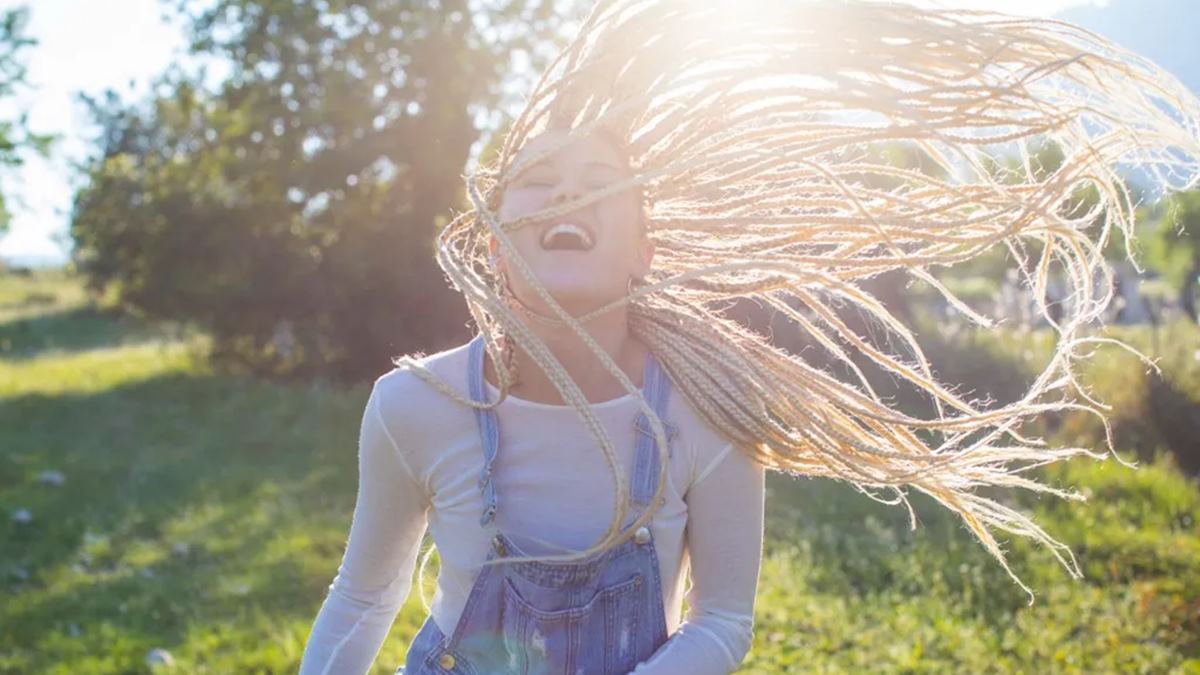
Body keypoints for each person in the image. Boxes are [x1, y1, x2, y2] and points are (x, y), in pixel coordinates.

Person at [302, 0, 1200, 672]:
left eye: (598, 179)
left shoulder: (708, 404)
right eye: (536, 181)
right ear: (495, 246)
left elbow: (723, 620)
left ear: (645, 251)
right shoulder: (416, 405)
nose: (567, 192)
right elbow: (365, 594)